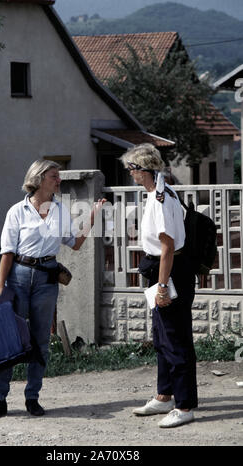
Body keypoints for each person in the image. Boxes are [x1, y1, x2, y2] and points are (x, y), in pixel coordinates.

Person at [0, 159, 105, 421]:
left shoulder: (60, 210)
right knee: (9, 340)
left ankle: (32, 397)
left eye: (58, 176)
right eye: (53, 176)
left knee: (41, 341)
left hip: (47, 279)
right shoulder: (17, 211)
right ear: (38, 179)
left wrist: (92, 216)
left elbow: (75, 243)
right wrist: (1, 286)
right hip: (19, 276)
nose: (58, 180)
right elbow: (7, 251)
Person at [120, 143, 197, 428]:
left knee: (175, 340)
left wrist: (163, 286)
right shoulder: (156, 193)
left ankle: (185, 405)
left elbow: (167, 247)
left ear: (143, 170)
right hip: (163, 272)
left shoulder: (162, 198)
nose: (130, 174)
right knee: (162, 336)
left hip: (169, 271)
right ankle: (165, 395)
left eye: (132, 169)